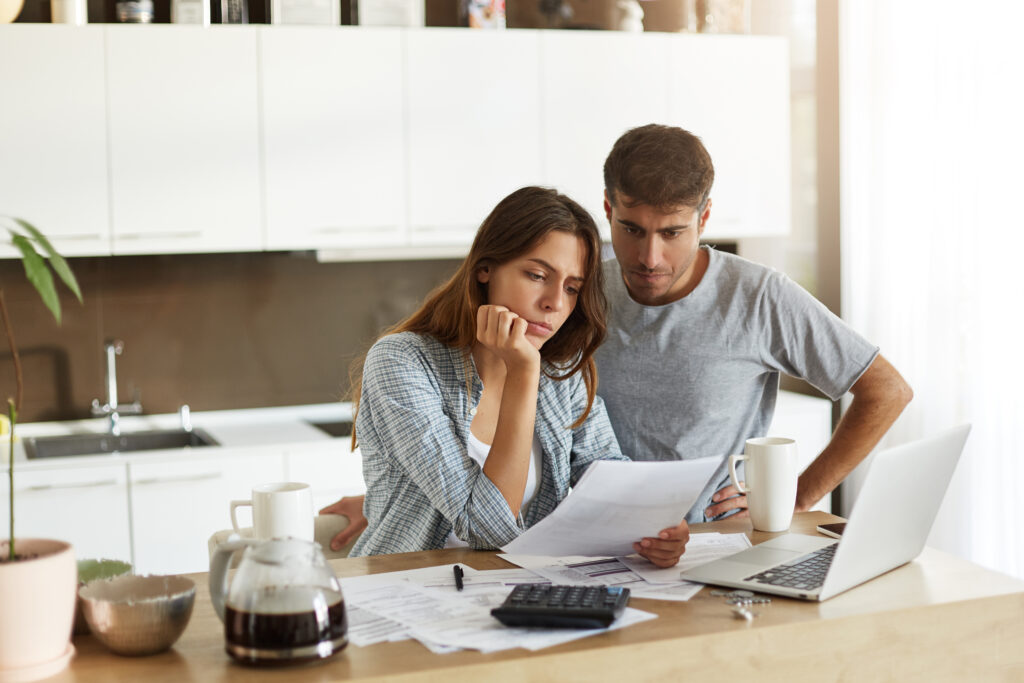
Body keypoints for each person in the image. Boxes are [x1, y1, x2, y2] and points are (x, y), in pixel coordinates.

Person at [338, 186, 690, 566]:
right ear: (485, 269)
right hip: (403, 594)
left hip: (513, 591)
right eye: (538, 275)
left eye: (572, 288)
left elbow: (606, 475)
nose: (555, 302)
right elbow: (487, 528)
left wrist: (654, 523)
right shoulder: (402, 362)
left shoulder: (558, 373)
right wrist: (523, 373)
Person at [595, 123, 913, 522]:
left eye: (672, 232)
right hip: (602, 544)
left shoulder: (758, 296)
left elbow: (887, 390)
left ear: (704, 217)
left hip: (715, 544)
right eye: (632, 230)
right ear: (608, 210)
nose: (649, 257)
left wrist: (797, 495)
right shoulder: (580, 292)